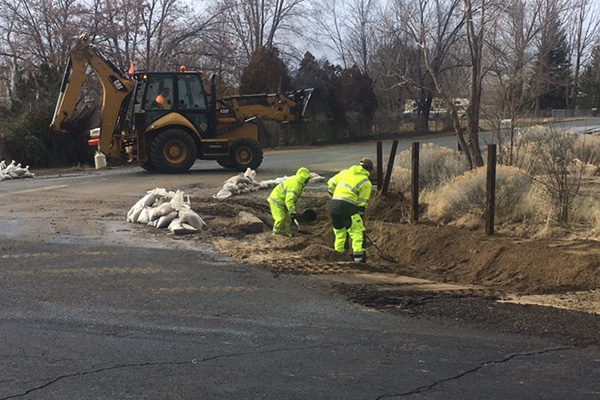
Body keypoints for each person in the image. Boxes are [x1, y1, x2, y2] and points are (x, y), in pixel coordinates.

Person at [328, 157, 374, 263]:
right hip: (348, 207)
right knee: (357, 232)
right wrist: (360, 219)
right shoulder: (366, 183)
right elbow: (362, 205)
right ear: (368, 169)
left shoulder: (344, 173)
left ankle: (339, 257)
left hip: (334, 206)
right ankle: (359, 260)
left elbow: (330, 184)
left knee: (340, 233)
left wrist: (335, 196)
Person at [267, 167, 311, 237]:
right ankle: (276, 235)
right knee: (280, 219)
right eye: (307, 179)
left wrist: (291, 212)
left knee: (287, 219)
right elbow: (289, 200)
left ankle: (286, 235)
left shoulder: (299, 183)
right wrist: (292, 212)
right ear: (304, 179)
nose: (308, 181)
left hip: (282, 201)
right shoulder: (295, 185)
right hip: (277, 201)